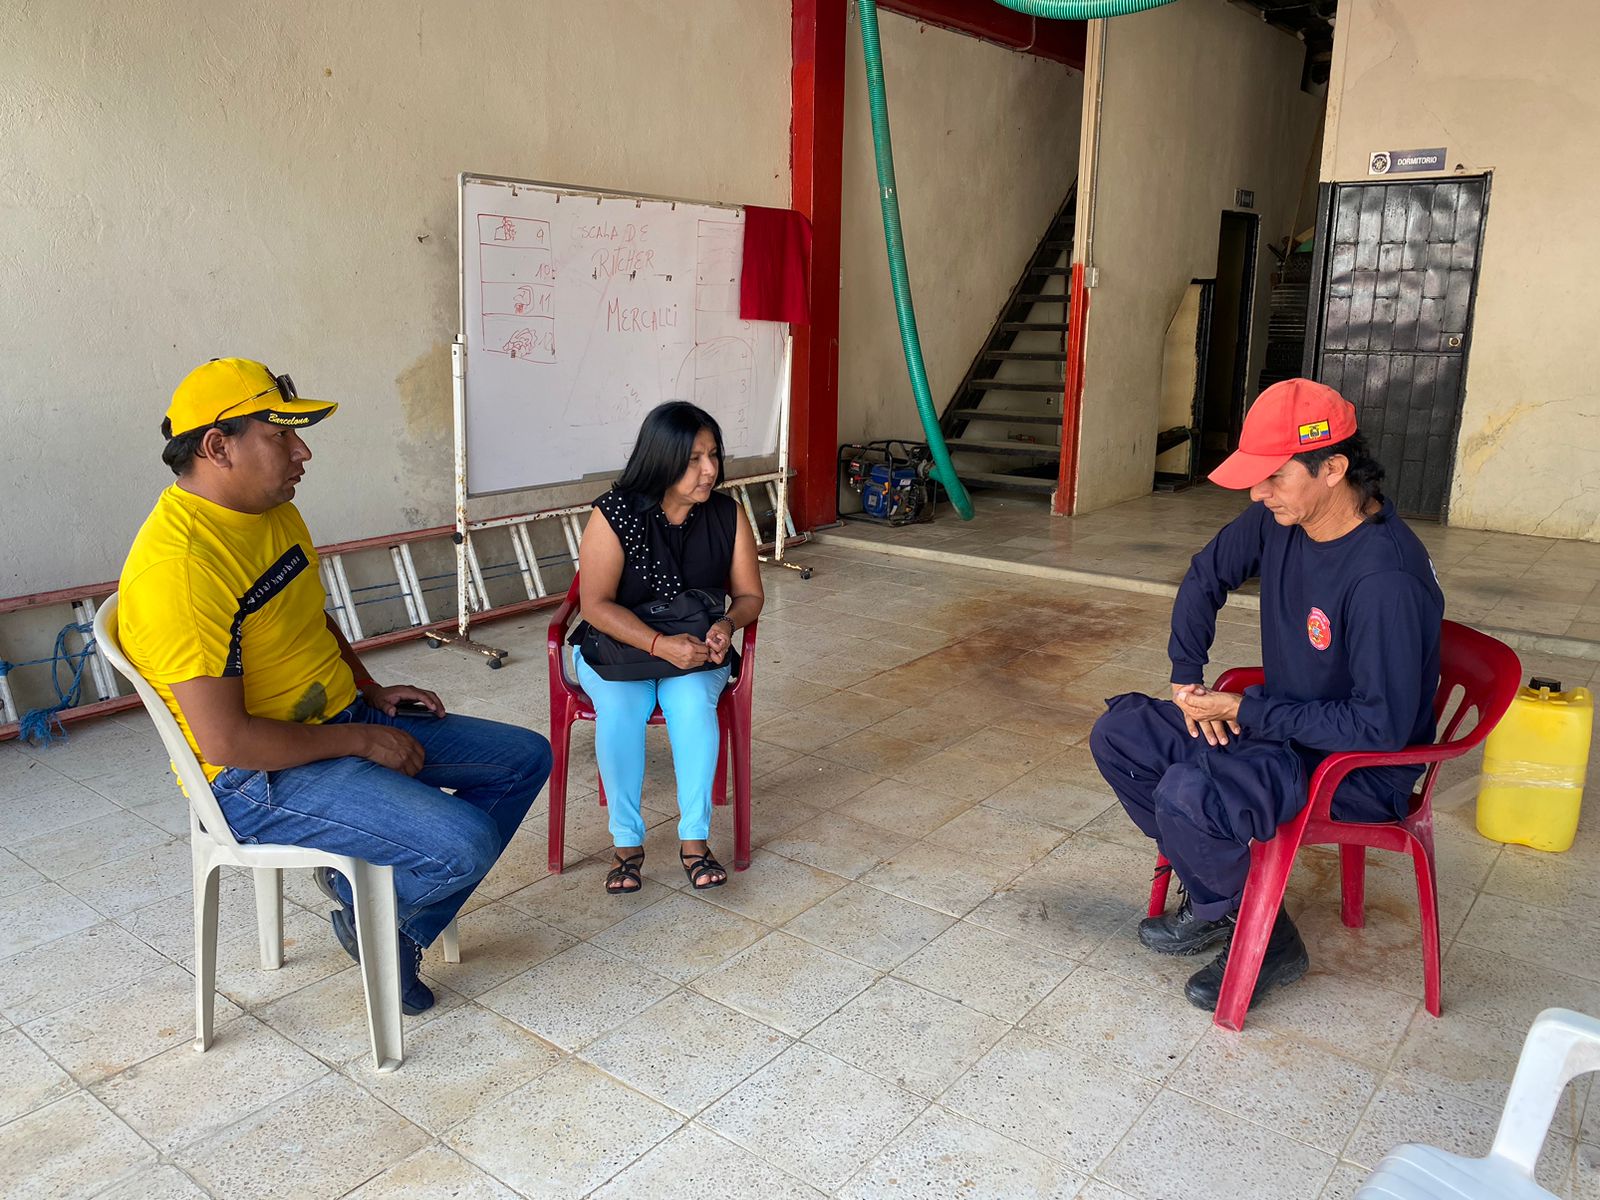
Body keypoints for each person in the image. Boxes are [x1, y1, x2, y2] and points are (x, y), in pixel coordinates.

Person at [118, 357, 552, 1015]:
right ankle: (385, 919)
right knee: (464, 844)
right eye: (280, 436)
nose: (303, 452)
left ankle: (382, 916)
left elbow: (306, 614)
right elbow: (226, 740)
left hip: (338, 717)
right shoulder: (180, 569)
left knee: (525, 758)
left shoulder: (270, 510)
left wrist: (368, 689)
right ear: (217, 447)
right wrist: (363, 742)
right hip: (252, 776)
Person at [1088, 378, 1444, 1012]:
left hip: (1350, 768)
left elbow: (1380, 728)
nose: (1258, 492)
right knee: (1122, 735)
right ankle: (1221, 900)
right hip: (1278, 735)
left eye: (1274, 476)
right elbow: (1205, 575)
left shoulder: (1384, 579)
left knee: (1189, 792)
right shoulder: (1281, 518)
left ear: (1332, 469)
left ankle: (1267, 939)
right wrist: (1186, 675)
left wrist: (1246, 709)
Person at [572, 400, 764, 895]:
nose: (709, 470)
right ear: (662, 458)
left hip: (695, 648)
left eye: (713, 455)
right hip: (619, 648)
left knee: (692, 703)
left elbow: (750, 596)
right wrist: (658, 643)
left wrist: (725, 624)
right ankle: (626, 845)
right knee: (620, 709)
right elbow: (595, 605)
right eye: (694, 458)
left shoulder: (726, 514)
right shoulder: (614, 513)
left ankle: (695, 841)